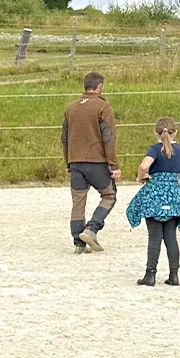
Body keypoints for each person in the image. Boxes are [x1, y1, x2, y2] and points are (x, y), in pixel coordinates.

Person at [126, 116, 180, 286]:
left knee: (154, 237)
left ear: (156, 133)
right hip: (173, 195)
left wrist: (142, 177)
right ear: (175, 132)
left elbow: (143, 166)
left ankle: (150, 274)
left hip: (155, 195)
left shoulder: (155, 149)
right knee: (171, 237)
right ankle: (174, 274)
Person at [61, 70, 121, 253]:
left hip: (75, 162)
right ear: (100, 86)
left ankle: (78, 242)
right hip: (96, 162)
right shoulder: (103, 107)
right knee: (109, 195)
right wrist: (114, 164)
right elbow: (108, 137)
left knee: (78, 201)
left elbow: (64, 138)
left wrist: (68, 163)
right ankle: (92, 228)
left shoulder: (70, 108)